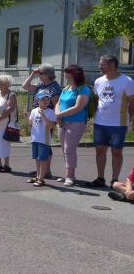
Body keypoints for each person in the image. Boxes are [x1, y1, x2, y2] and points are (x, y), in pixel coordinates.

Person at [88, 55, 134, 188]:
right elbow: (97, 99)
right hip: (100, 122)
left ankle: (114, 180)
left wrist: (131, 118)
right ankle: (100, 178)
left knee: (116, 151)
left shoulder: (127, 81)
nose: (99, 66)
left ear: (112, 65)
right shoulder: (98, 81)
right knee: (100, 150)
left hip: (118, 123)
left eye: (102, 64)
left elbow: (133, 101)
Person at [21, 63, 62, 178]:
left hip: (47, 118)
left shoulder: (54, 87)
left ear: (48, 74)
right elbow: (25, 86)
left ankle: (46, 171)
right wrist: (32, 74)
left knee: (45, 144)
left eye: (40, 73)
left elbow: (56, 105)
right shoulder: (41, 85)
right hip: (37, 116)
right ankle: (41, 170)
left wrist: (55, 120)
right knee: (39, 144)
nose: (38, 74)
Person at [54, 65, 90, 186]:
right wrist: (58, 114)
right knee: (64, 149)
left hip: (76, 122)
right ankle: (68, 175)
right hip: (62, 122)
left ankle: (70, 176)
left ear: (75, 74)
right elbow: (58, 103)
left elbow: (78, 107)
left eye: (68, 72)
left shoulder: (83, 89)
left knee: (69, 149)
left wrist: (60, 114)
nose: (65, 75)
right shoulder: (66, 88)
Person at [28, 91, 57, 187]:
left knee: (43, 159)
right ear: (38, 100)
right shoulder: (34, 111)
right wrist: (28, 117)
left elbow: (51, 125)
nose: (46, 101)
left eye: (47, 99)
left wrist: (43, 116)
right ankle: (38, 176)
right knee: (37, 158)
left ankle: (41, 179)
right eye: (43, 99)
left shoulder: (50, 112)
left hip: (44, 140)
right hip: (35, 138)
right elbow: (30, 124)